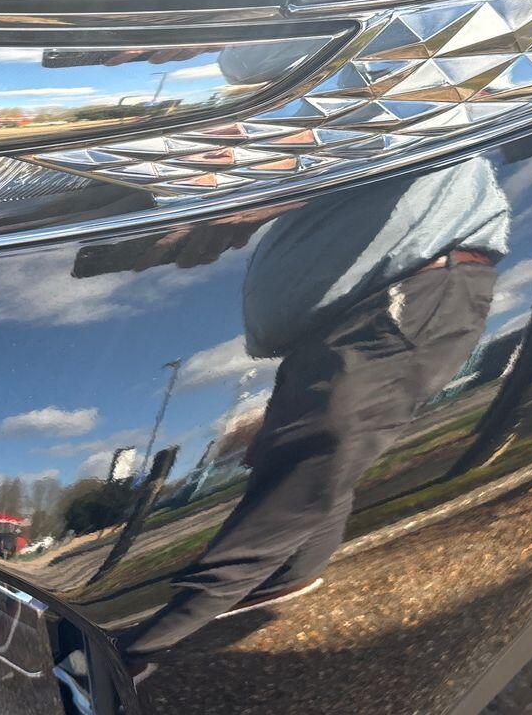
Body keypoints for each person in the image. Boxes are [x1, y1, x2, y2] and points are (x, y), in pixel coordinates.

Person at [120, 155, 509, 669]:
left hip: (411, 291)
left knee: (306, 465)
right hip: (346, 318)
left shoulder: (347, 115)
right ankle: (284, 583)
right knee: (292, 459)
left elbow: (387, 125)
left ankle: (139, 653)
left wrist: (245, 196)